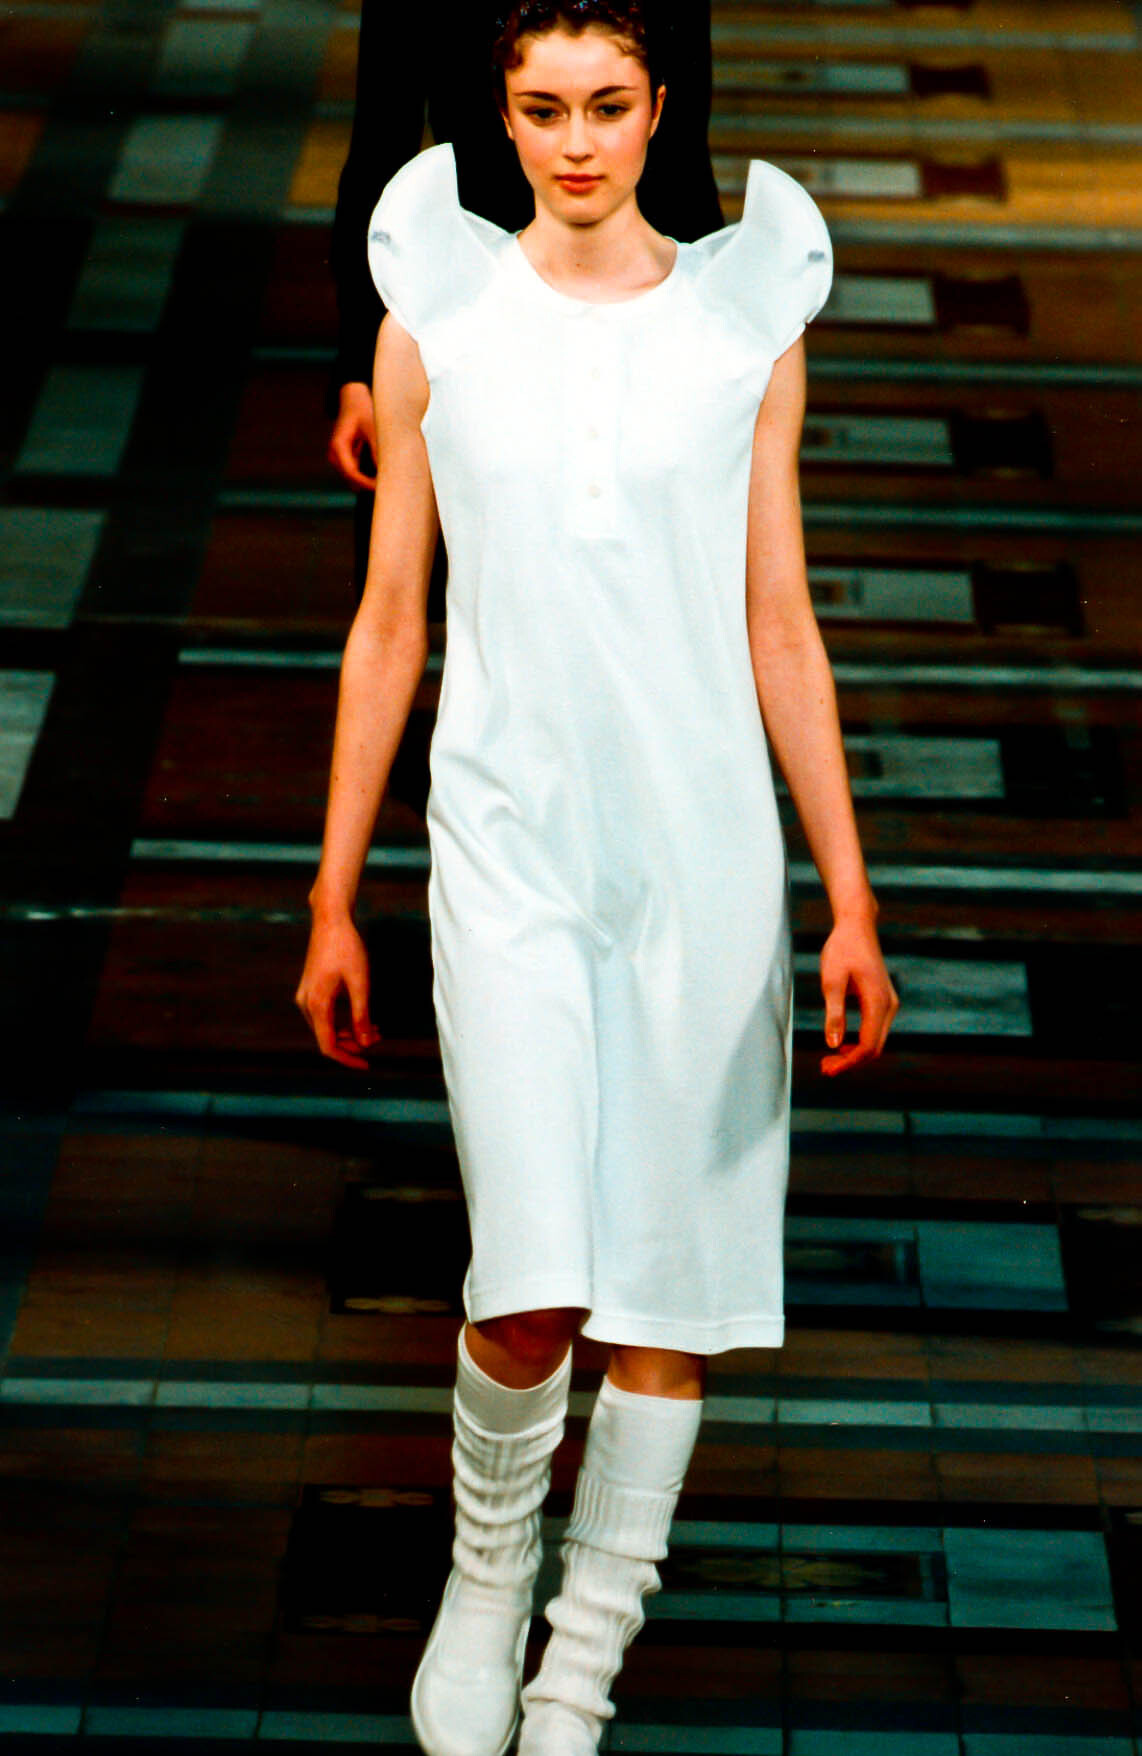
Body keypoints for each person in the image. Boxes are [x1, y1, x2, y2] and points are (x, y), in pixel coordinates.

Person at [296, 3, 898, 1752]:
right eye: (543, 108)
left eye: (607, 106)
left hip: (700, 865)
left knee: (667, 1296)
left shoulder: (741, 319)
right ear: (500, 115)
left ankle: (578, 1673)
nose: (574, 141)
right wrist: (331, 895)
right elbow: (389, 620)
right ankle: (488, 1579)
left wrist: (850, 897)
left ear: (656, 114)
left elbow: (779, 621)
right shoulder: (438, 309)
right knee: (531, 1281)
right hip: (506, 854)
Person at [327, 0, 723, 597]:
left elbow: (683, 148)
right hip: (471, 299)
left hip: (633, 292)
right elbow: (379, 151)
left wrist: (712, 325)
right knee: (449, 571)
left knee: (642, 564)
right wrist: (361, 368)